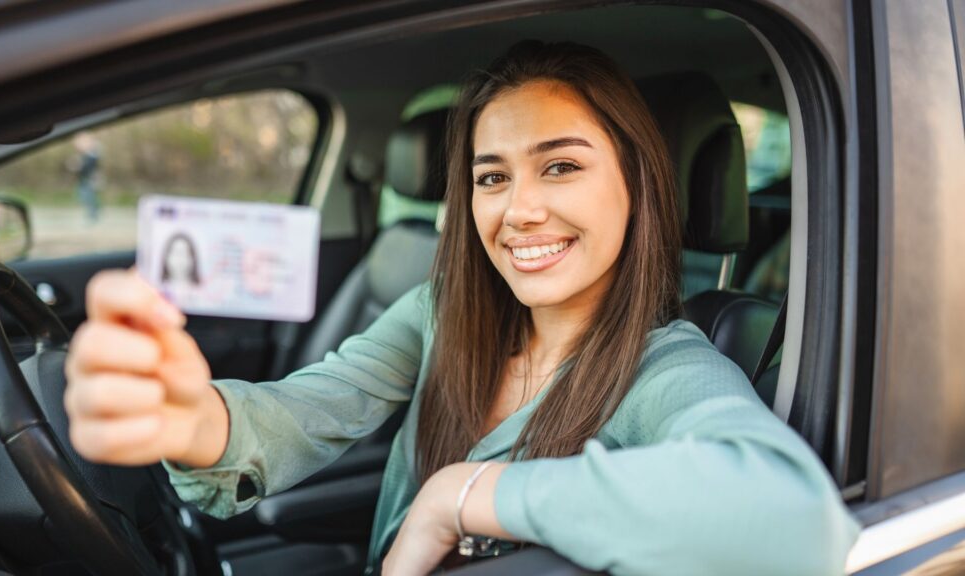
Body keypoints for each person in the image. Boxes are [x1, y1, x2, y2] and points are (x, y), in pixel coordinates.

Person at [63, 41, 860, 575]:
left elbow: (794, 519)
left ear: (638, 183)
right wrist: (191, 421)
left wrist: (458, 496)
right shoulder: (442, 310)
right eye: (490, 177)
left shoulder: (668, 367)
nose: (518, 211)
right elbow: (313, 406)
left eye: (560, 168)